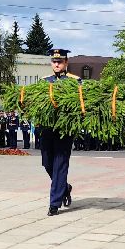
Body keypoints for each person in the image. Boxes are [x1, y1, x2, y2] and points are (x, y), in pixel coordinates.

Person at [42, 48, 78, 216]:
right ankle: (64, 187)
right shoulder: (44, 81)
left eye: (60, 61)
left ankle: (54, 204)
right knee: (47, 163)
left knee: (60, 164)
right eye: (54, 61)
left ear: (66, 62)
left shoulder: (75, 81)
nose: (56, 64)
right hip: (47, 129)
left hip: (65, 130)